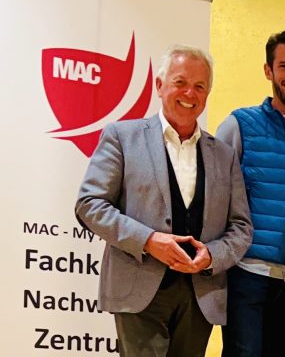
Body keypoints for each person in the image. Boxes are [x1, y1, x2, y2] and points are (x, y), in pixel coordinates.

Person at [75, 45, 252, 356]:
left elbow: (241, 227)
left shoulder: (224, 156)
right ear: (159, 85)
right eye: (180, 82)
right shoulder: (121, 137)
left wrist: (211, 256)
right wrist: (149, 240)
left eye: (200, 86)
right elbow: (90, 204)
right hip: (138, 290)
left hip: (200, 297)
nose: (190, 93)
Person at [215, 29, 285, 357]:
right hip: (247, 275)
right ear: (268, 70)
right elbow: (215, 196)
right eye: (284, 66)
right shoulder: (239, 124)